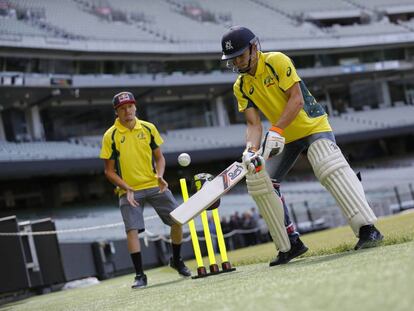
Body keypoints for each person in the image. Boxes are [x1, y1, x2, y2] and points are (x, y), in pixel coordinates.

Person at [220, 26, 383, 265]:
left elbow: (296, 100)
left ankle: (368, 230)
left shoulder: (276, 61)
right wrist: (250, 150)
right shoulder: (241, 86)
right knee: (259, 179)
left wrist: (276, 130)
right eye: (232, 60)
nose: (236, 63)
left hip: (311, 125)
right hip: (284, 135)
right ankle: (290, 244)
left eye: (240, 56)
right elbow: (254, 125)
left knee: (327, 163)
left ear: (254, 48)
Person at [100, 91, 191, 289]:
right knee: (132, 231)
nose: (127, 111)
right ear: (117, 112)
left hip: (154, 184)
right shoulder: (111, 136)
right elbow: (109, 171)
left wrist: (159, 175)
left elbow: (159, 158)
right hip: (128, 190)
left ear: (135, 107)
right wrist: (126, 187)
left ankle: (176, 260)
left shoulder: (149, 128)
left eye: (130, 107)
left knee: (178, 220)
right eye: (122, 109)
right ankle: (140, 275)